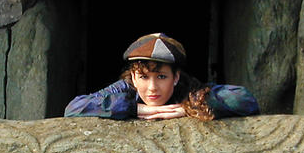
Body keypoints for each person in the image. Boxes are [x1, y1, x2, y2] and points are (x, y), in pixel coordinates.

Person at [64, 33, 260, 120]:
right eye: (143, 77)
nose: (151, 88)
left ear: (175, 77)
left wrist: (193, 106)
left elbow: (245, 99)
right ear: (133, 77)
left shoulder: (188, 88)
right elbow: (74, 107)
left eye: (161, 77)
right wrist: (130, 108)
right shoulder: (125, 88)